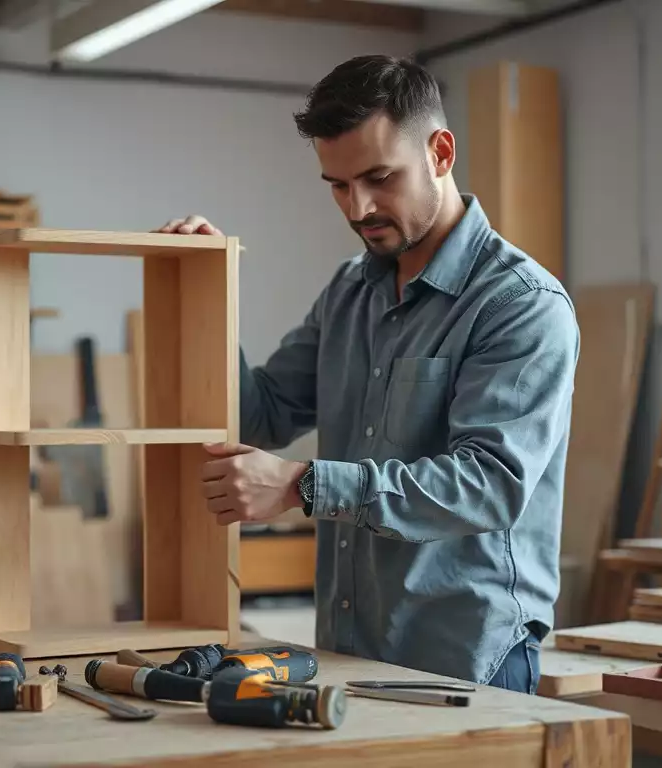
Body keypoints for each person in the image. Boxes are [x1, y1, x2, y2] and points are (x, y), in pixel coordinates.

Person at [156, 54, 579, 694]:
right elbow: (262, 414)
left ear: (440, 151)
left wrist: (302, 485)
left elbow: (491, 484)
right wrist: (203, 295)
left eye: (379, 177)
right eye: (337, 184)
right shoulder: (350, 291)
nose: (359, 207)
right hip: (350, 655)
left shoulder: (519, 304)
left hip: (467, 663)